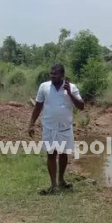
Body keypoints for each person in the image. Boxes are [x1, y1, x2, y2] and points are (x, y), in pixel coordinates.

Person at [28, 63, 84, 194]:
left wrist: (69, 93)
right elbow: (38, 106)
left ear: (62, 75)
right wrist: (31, 123)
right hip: (49, 127)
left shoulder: (72, 87)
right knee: (51, 154)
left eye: (55, 74)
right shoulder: (44, 87)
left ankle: (61, 180)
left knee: (64, 154)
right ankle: (53, 184)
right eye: (51, 73)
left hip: (65, 127)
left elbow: (81, 106)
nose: (52, 76)